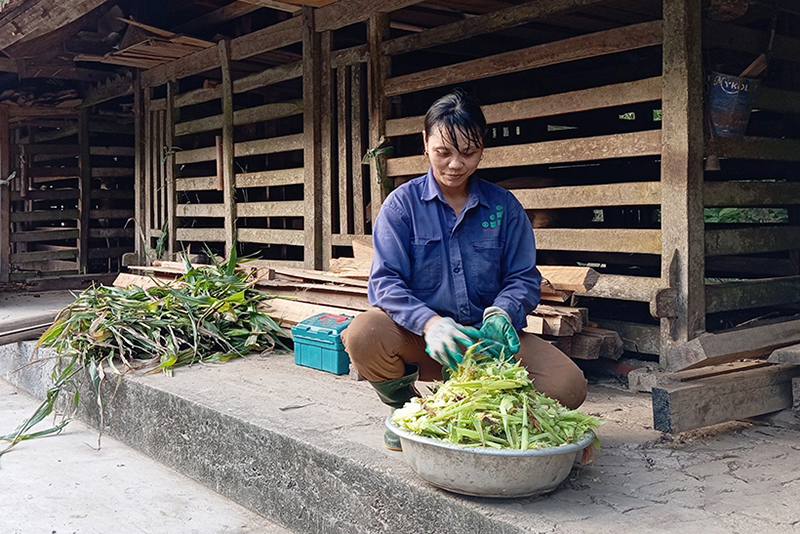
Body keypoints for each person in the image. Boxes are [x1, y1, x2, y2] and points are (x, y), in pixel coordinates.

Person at [341, 88, 587, 450]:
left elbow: (523, 277)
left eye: (468, 153)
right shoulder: (401, 206)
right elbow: (385, 283)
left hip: (489, 343)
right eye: (443, 152)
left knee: (570, 385)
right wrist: (430, 323)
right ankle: (406, 407)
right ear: (424, 144)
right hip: (426, 343)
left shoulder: (503, 207)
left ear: (482, 148)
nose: (456, 164)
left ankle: (478, 408)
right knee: (362, 334)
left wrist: (503, 314)